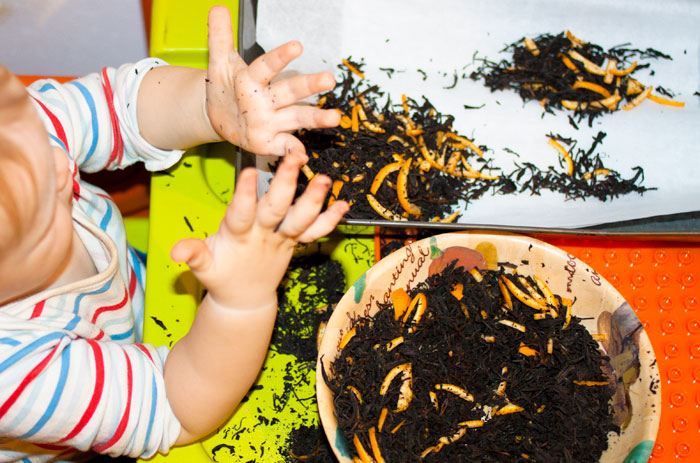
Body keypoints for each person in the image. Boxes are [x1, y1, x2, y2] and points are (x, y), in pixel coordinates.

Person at [0, 5, 348, 462]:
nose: (62, 167)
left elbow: (116, 108)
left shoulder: (20, 144)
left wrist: (204, 107)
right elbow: (177, 408)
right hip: (94, 419)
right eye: (45, 216)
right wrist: (239, 301)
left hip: (134, 296)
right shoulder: (14, 376)